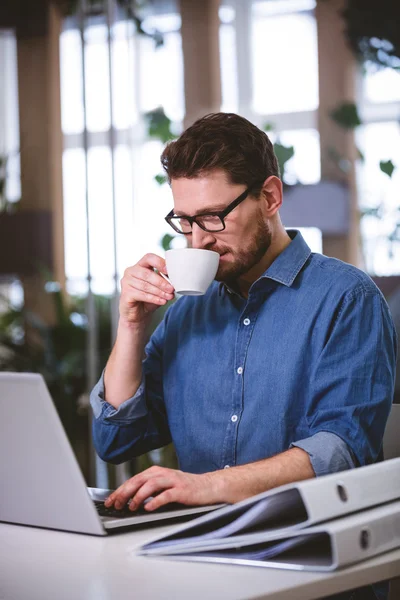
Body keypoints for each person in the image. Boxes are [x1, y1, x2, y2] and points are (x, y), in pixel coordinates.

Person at [90, 112, 396, 514]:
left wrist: (207, 487)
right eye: (185, 221)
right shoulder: (187, 313)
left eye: (213, 217)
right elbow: (116, 441)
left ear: (269, 197)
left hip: (309, 550)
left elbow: (341, 448)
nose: (199, 239)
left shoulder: (348, 299)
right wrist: (131, 326)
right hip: (198, 550)